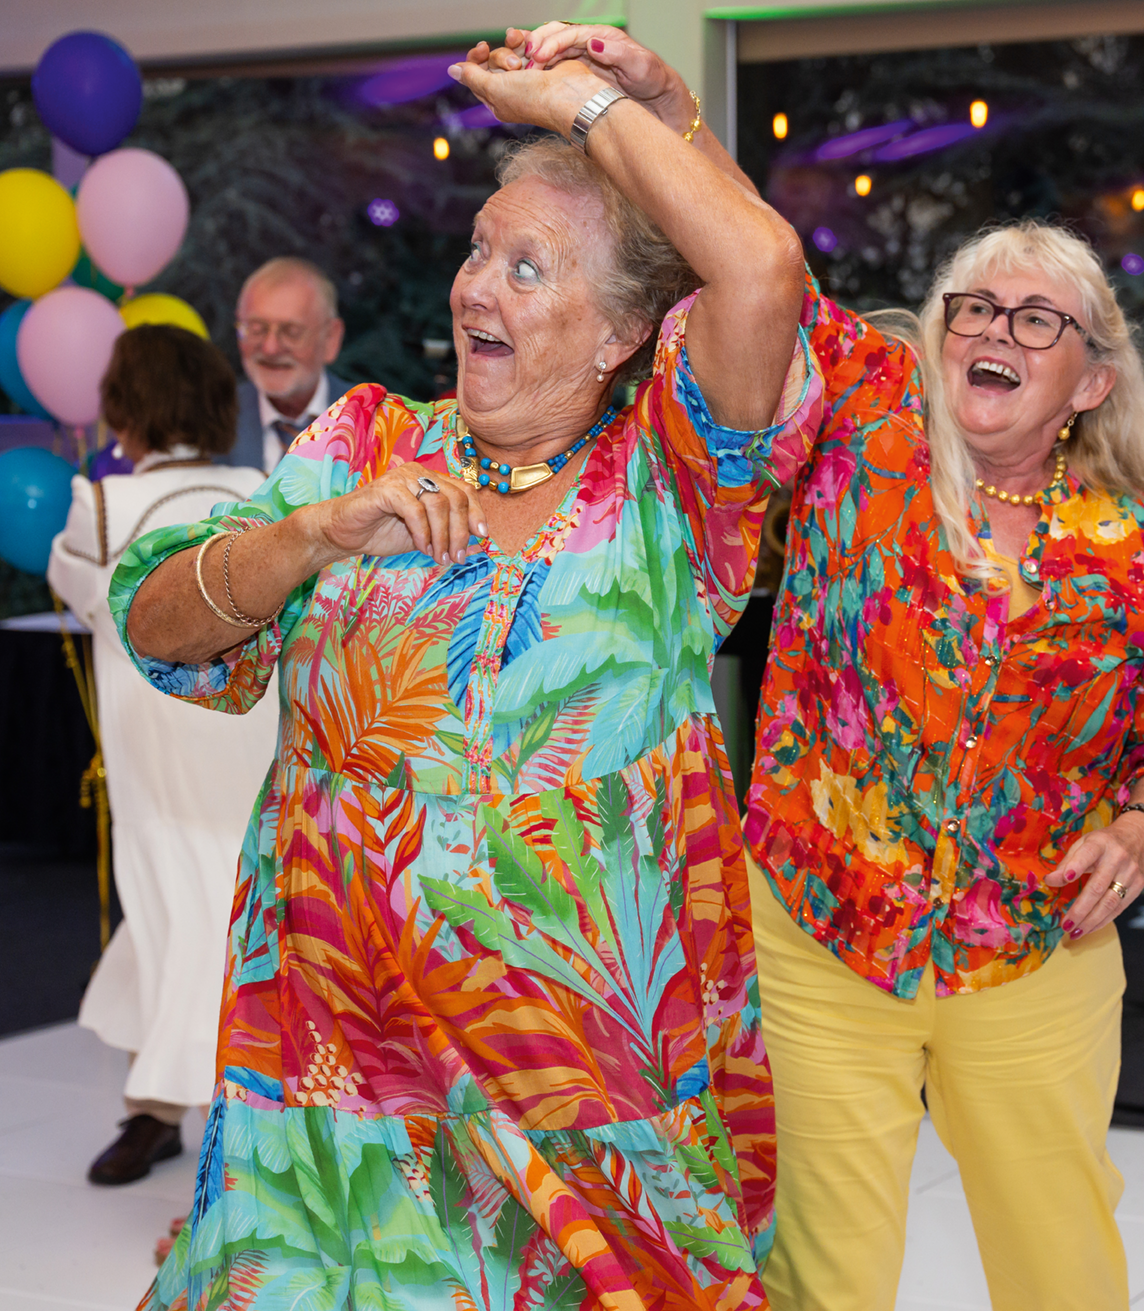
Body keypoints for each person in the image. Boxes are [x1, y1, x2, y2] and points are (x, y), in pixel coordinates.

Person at [116, 27, 818, 1308]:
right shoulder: (362, 443)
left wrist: (612, 102)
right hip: (334, 1084)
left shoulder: (671, 487)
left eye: (528, 266)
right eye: (479, 248)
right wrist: (311, 534)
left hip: (581, 1105)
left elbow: (761, 267)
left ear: (620, 336)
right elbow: (159, 628)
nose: (475, 287)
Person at [741, 221, 1144, 1309]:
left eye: (1034, 319)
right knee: (821, 1277)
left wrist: (1138, 830)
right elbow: (751, 263)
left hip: (1033, 952)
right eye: (971, 308)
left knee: (1058, 1268)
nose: (992, 330)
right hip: (821, 937)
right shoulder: (859, 432)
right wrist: (649, 106)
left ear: (1090, 381)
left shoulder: (1133, 551)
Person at [47, 325, 280, 1185]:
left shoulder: (100, 507)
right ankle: (164, 1113)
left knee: (178, 917)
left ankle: (197, 1120)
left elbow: (68, 584)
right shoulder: (261, 490)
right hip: (251, 741)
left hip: (161, 760)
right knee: (208, 924)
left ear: (125, 407)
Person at [226, 256, 348, 473]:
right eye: (256, 329)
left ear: (331, 338)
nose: (270, 348)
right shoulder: (211, 422)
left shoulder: (379, 422)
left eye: (291, 332)